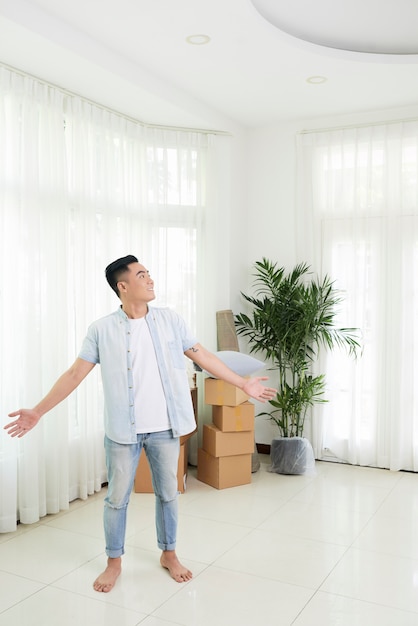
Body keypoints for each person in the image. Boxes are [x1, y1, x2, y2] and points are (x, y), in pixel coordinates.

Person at [4, 254, 276, 593]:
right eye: (142, 275)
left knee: (168, 494)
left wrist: (242, 383)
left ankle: (169, 554)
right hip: (122, 432)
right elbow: (75, 373)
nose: (150, 280)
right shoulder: (101, 329)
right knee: (116, 499)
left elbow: (203, 355)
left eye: (149, 273)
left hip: (165, 427)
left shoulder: (170, 321)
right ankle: (114, 562)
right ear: (123, 286)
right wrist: (39, 411)